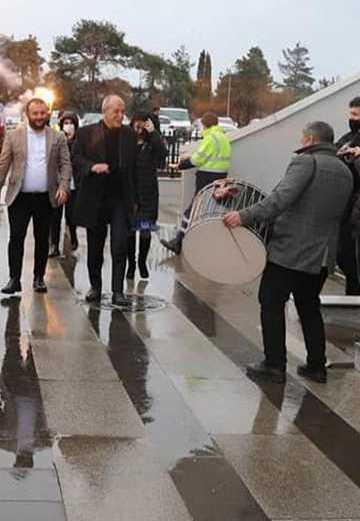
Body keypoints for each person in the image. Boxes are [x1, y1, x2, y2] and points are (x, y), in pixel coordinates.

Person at [223, 121, 354, 384]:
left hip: (291, 249)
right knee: (308, 305)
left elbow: (280, 199)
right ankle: (316, 366)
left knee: (271, 301)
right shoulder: (345, 171)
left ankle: (274, 364)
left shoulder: (305, 163)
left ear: (309, 140)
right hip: (323, 253)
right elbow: (345, 214)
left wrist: (244, 216)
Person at [0, 98, 71, 294]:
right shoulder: (14, 135)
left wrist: (64, 186)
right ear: (28, 114)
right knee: (16, 238)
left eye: (43, 113)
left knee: (42, 239)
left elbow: (65, 164)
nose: (39, 117)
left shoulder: (57, 137)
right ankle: (14, 279)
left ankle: (38, 278)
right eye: (35, 113)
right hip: (20, 197)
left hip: (46, 197)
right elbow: (3, 163)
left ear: (48, 113)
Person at [72, 95, 138, 306]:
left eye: (122, 111)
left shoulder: (128, 134)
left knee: (120, 245)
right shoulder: (86, 133)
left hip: (120, 198)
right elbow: (76, 158)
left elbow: (135, 167)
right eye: (116, 112)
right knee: (95, 246)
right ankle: (96, 287)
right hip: (96, 198)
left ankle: (118, 291)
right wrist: (92, 167)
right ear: (105, 112)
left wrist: (137, 200)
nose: (120, 116)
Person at [160, 111, 231, 254]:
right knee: (213, 209)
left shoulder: (210, 138)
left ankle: (179, 241)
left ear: (205, 125)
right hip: (221, 177)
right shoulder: (223, 137)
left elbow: (198, 159)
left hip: (207, 177)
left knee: (193, 209)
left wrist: (182, 165)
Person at [127, 111, 167, 280]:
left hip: (147, 195)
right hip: (130, 194)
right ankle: (131, 263)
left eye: (143, 123)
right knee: (129, 232)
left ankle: (142, 262)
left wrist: (154, 133)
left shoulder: (152, 144)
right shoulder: (128, 142)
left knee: (144, 231)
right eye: (137, 123)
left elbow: (162, 156)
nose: (139, 127)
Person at [334, 96, 360, 295]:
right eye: (350, 114)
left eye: (356, 114)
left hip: (355, 213)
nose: (351, 118)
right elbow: (334, 150)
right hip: (346, 209)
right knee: (343, 255)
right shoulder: (349, 137)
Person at [49, 112, 80, 256]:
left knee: (71, 215)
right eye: (66, 123)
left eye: (71, 123)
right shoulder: (57, 139)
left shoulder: (80, 142)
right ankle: (53, 244)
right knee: (55, 216)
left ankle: (72, 236)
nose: (69, 126)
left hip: (74, 184)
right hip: (59, 183)